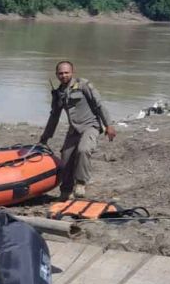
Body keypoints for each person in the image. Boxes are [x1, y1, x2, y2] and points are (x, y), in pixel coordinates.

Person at [39, 61, 116, 200]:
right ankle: (66, 191)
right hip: (74, 129)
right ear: (56, 74)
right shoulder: (58, 93)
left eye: (66, 72)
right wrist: (45, 137)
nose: (63, 75)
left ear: (72, 72)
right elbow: (54, 117)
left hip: (91, 126)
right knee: (66, 159)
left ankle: (80, 183)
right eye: (60, 73)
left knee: (83, 150)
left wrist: (108, 125)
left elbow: (99, 105)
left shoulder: (83, 85)